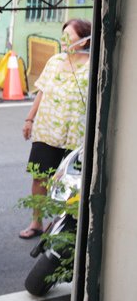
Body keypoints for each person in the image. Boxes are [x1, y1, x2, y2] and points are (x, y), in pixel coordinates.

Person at [20, 18, 91, 239]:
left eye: (69, 36)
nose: (64, 40)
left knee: (68, 181)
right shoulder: (55, 61)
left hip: (75, 135)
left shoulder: (93, 64)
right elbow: (42, 91)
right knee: (40, 176)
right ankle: (36, 222)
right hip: (47, 130)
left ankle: (61, 224)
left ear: (83, 40)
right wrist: (29, 119)